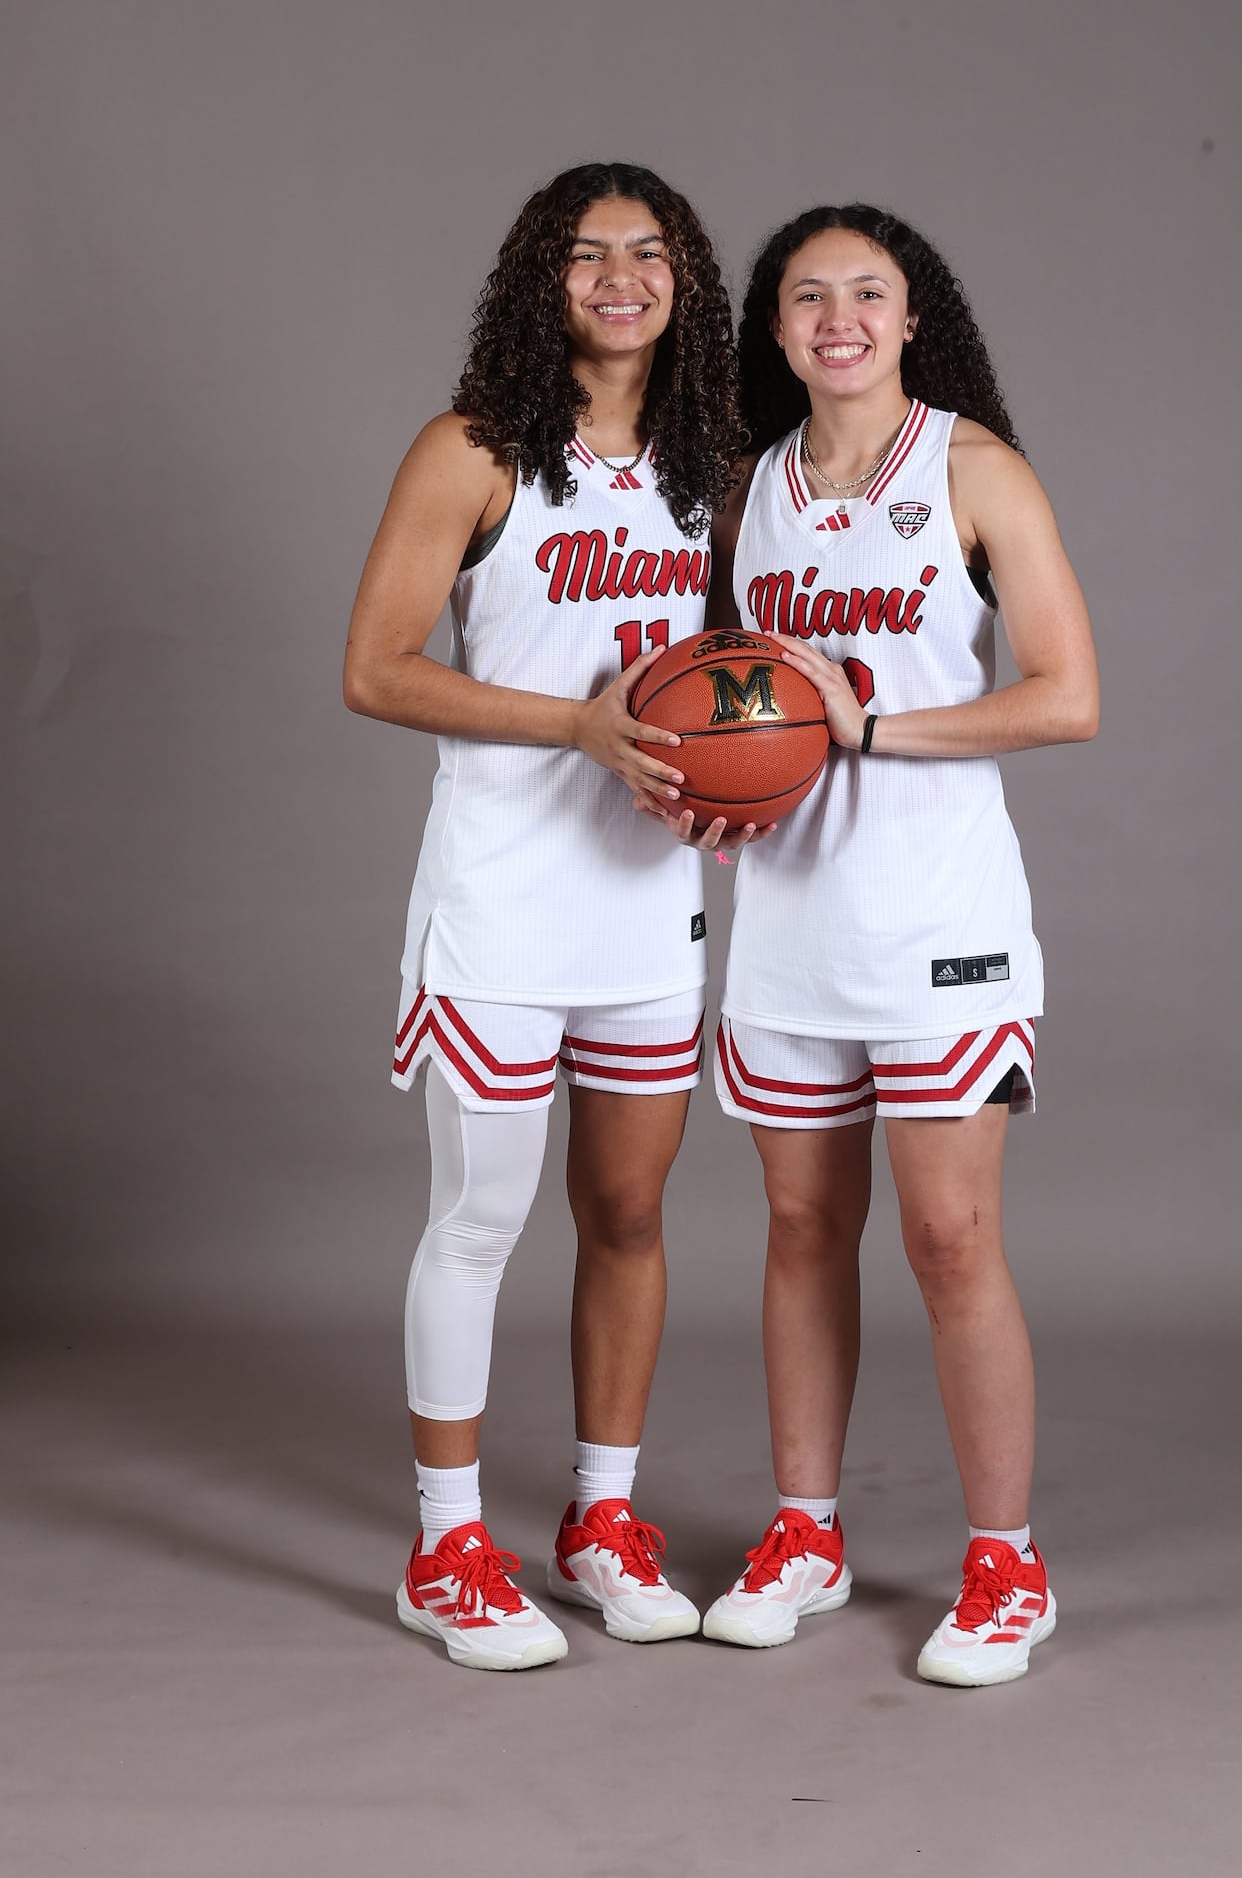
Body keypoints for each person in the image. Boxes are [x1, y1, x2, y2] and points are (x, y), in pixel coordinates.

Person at [667, 202, 1099, 1686]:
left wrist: (874, 726)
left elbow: (1067, 694)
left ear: (917, 318)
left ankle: (1005, 1564)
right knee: (799, 1228)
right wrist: (718, 791)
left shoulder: (976, 469)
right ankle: (808, 1530)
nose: (837, 317)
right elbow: (731, 697)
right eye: (807, 296)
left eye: (869, 293)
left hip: (940, 919)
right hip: (788, 915)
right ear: (774, 328)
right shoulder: (746, 489)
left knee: (948, 1235)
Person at [344, 163, 745, 1669]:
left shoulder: (716, 457)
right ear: (542, 280)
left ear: (685, 280)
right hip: (504, 895)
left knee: (630, 1211)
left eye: (649, 253)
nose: (621, 276)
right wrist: (566, 727)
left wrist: (728, 783)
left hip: (646, 901)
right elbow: (376, 666)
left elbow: (730, 677)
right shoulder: (473, 450)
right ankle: (447, 1545)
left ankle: (600, 1516)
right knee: (483, 1213)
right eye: (589, 255)